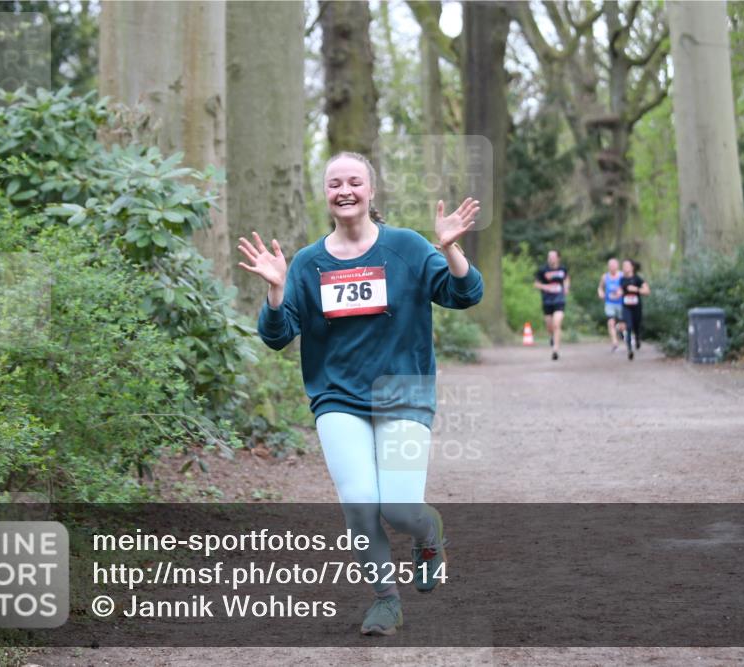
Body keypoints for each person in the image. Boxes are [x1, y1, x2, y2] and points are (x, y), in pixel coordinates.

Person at [236, 151, 483, 637]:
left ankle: (427, 533)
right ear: (325, 193)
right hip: (337, 398)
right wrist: (276, 290)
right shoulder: (308, 263)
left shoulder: (408, 248)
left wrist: (451, 249)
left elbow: (464, 294)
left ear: (371, 191)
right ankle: (385, 601)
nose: (344, 190)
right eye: (334, 183)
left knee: (399, 508)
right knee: (359, 504)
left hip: (403, 393)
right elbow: (277, 335)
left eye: (354, 181)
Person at [533, 249, 570, 361]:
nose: (551, 258)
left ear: (558, 258)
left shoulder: (562, 269)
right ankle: (552, 337)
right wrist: (546, 287)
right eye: (549, 256)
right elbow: (536, 284)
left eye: (553, 256)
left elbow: (567, 278)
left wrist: (566, 287)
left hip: (559, 300)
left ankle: (555, 350)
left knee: (556, 324)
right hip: (547, 301)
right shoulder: (542, 270)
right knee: (550, 327)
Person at [612, 259, 650, 361]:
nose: (624, 267)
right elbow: (619, 290)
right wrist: (617, 294)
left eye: (627, 265)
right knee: (628, 326)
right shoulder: (622, 279)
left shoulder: (637, 279)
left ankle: (637, 338)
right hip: (626, 307)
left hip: (637, 307)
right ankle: (629, 349)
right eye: (623, 265)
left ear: (632, 267)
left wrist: (636, 289)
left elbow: (647, 291)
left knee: (636, 326)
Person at [597, 257, 624, 352]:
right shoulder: (605, 277)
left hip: (621, 303)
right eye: (610, 265)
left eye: (613, 265)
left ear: (617, 266)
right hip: (609, 303)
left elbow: (626, 287)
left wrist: (621, 292)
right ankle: (614, 343)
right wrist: (601, 293)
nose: (612, 267)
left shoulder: (622, 275)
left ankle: (620, 330)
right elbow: (600, 288)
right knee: (610, 322)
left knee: (622, 325)